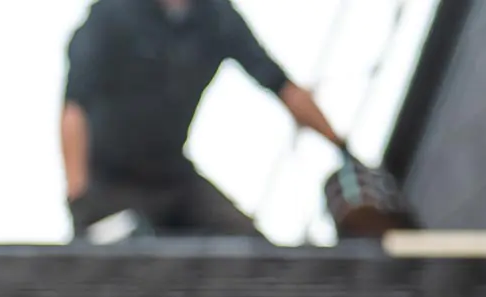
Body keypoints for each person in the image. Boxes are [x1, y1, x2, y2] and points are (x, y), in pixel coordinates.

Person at [63, 0, 348, 238]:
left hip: (174, 178)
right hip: (111, 185)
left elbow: (283, 87)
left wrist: (342, 147)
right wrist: (79, 197)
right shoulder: (112, 13)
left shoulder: (216, 17)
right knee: (125, 265)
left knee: (251, 249)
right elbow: (74, 108)